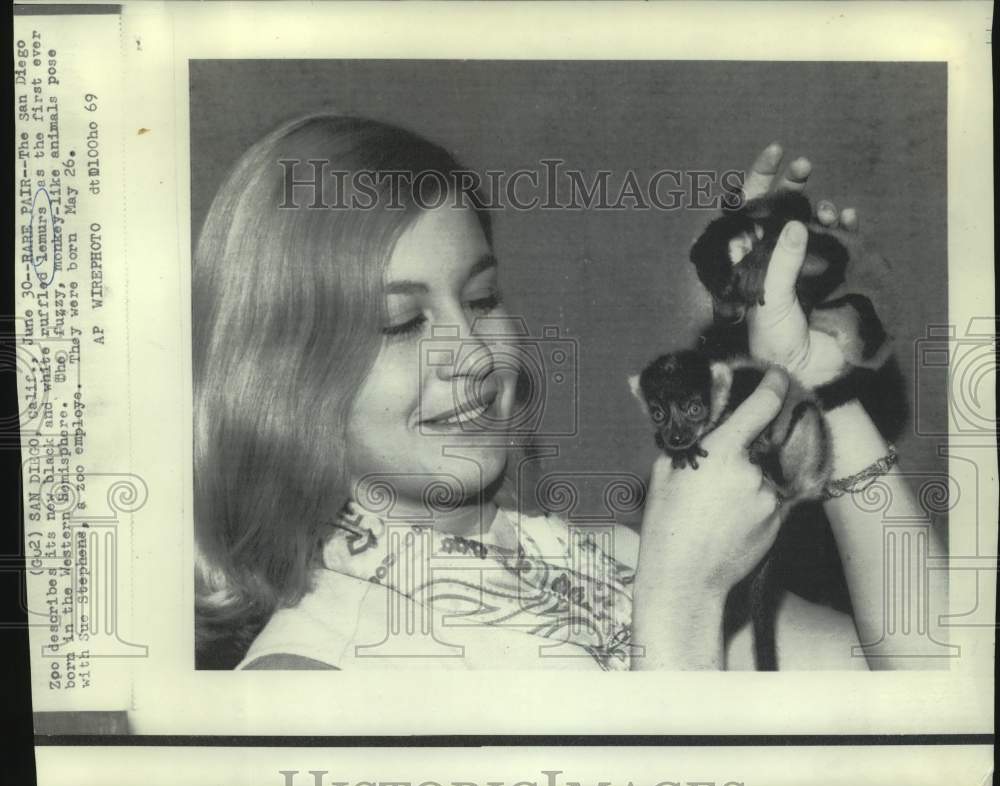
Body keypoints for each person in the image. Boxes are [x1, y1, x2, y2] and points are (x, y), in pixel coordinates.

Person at [193, 115, 944, 671]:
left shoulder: (606, 563)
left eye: (481, 298)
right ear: (281, 381)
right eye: (401, 322)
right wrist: (679, 610)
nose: (475, 353)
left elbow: (940, 688)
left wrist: (821, 385)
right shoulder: (304, 675)